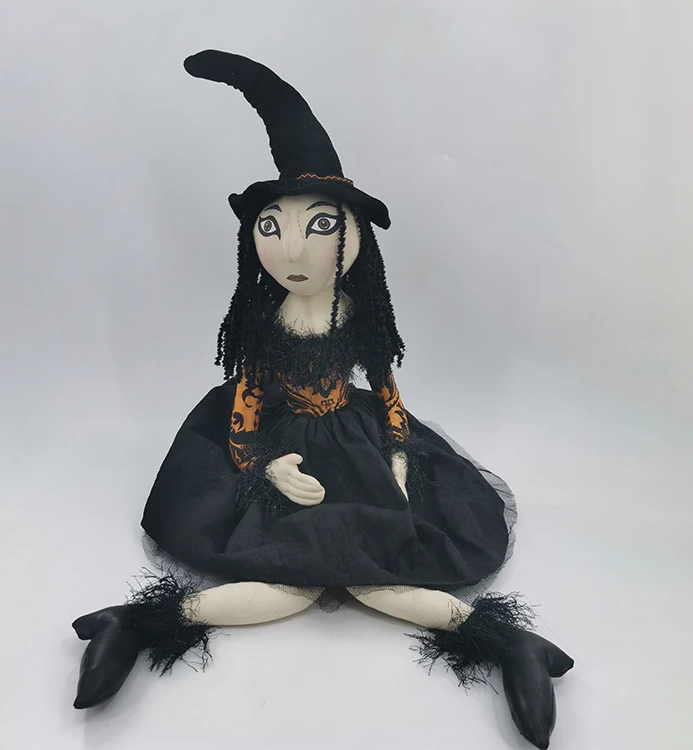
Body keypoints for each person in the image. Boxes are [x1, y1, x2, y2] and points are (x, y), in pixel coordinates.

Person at [71, 50, 573, 750]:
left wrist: (398, 454)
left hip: (355, 443)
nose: (291, 250)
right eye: (271, 226)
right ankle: (133, 623)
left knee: (373, 576)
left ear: (356, 234)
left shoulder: (358, 317)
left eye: (320, 225)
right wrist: (266, 466)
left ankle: (511, 644)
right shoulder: (264, 323)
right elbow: (247, 407)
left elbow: (387, 391)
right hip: (286, 446)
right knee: (293, 581)